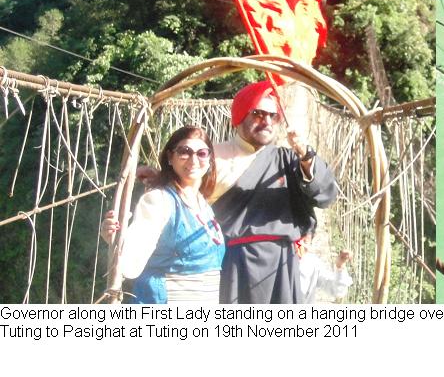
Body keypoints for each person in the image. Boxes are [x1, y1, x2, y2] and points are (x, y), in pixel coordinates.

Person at [208, 80, 338, 304]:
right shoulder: (211, 156)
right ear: (239, 115)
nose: (266, 121)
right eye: (258, 113)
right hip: (232, 263)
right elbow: (182, 193)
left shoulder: (288, 160)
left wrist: (306, 158)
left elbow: (326, 194)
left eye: (273, 115)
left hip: (282, 264)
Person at [101, 126, 224, 304]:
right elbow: (129, 265)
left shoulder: (202, 203)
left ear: (210, 159)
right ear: (169, 157)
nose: (193, 159)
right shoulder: (158, 201)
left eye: (202, 153)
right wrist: (115, 239)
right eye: (184, 151)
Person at [298, 231, 353, 304]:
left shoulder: (311, 262)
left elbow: (337, 290)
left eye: (305, 242)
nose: (301, 245)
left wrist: (340, 266)